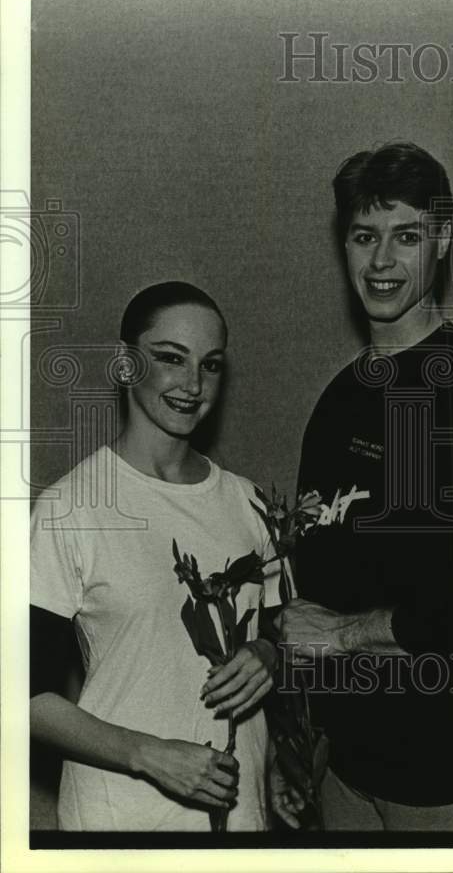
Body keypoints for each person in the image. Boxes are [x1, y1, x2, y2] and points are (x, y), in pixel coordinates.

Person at [273, 142, 453, 831]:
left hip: (444, 776)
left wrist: (343, 633)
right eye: (364, 237)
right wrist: (298, 733)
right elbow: (320, 583)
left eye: (406, 236)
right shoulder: (337, 401)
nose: (382, 262)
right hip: (342, 770)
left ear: (443, 239)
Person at [30, 281, 280, 831]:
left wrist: (267, 652)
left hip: (240, 812)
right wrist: (149, 755)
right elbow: (25, 696)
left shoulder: (248, 502)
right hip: (123, 813)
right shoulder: (69, 509)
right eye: (171, 359)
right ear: (125, 365)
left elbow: (280, 629)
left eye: (210, 365)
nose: (192, 385)